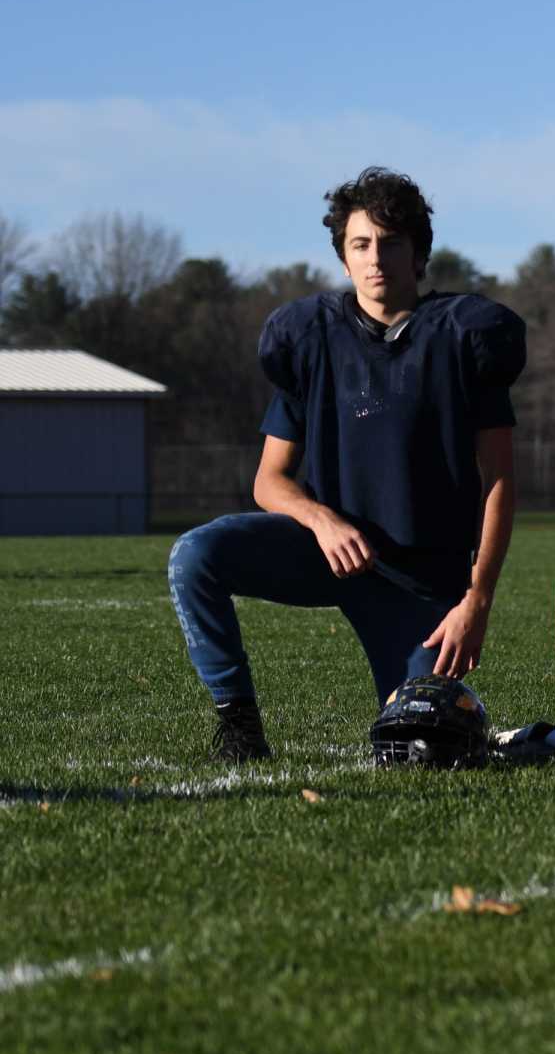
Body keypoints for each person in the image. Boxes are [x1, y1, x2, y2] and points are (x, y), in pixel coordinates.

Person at [168, 167, 525, 761]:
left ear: (419, 255)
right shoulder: (311, 339)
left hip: (419, 576)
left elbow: (500, 481)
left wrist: (477, 598)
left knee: (423, 745)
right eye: (361, 244)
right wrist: (321, 520)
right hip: (328, 553)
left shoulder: (462, 336)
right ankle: (240, 728)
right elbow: (269, 481)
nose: (375, 258)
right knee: (194, 555)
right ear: (343, 258)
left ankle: (535, 741)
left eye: (391, 242)